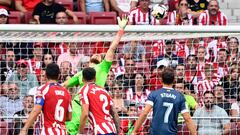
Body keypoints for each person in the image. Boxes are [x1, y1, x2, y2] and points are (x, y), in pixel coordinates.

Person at [63, 16, 128, 135]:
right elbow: (64, 85)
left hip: (90, 107)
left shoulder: (103, 67)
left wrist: (121, 30)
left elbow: (112, 48)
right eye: (96, 53)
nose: (97, 54)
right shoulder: (80, 73)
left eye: (100, 55)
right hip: (77, 106)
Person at [131, 67, 197, 135]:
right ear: (174, 80)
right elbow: (187, 118)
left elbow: (145, 113)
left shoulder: (154, 94)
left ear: (161, 79)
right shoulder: (180, 97)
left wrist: (134, 131)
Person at [19, 63, 72, 135]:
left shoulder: (43, 89)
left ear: (46, 76)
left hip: (48, 131)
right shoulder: (66, 92)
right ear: (59, 76)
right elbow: (69, 117)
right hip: (62, 132)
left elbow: (36, 110)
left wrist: (24, 129)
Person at [78, 67, 120, 135]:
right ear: (95, 78)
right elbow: (114, 113)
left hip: (100, 131)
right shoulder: (104, 91)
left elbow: (85, 113)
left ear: (82, 79)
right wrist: (118, 131)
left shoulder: (84, 90)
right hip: (112, 129)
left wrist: (79, 132)